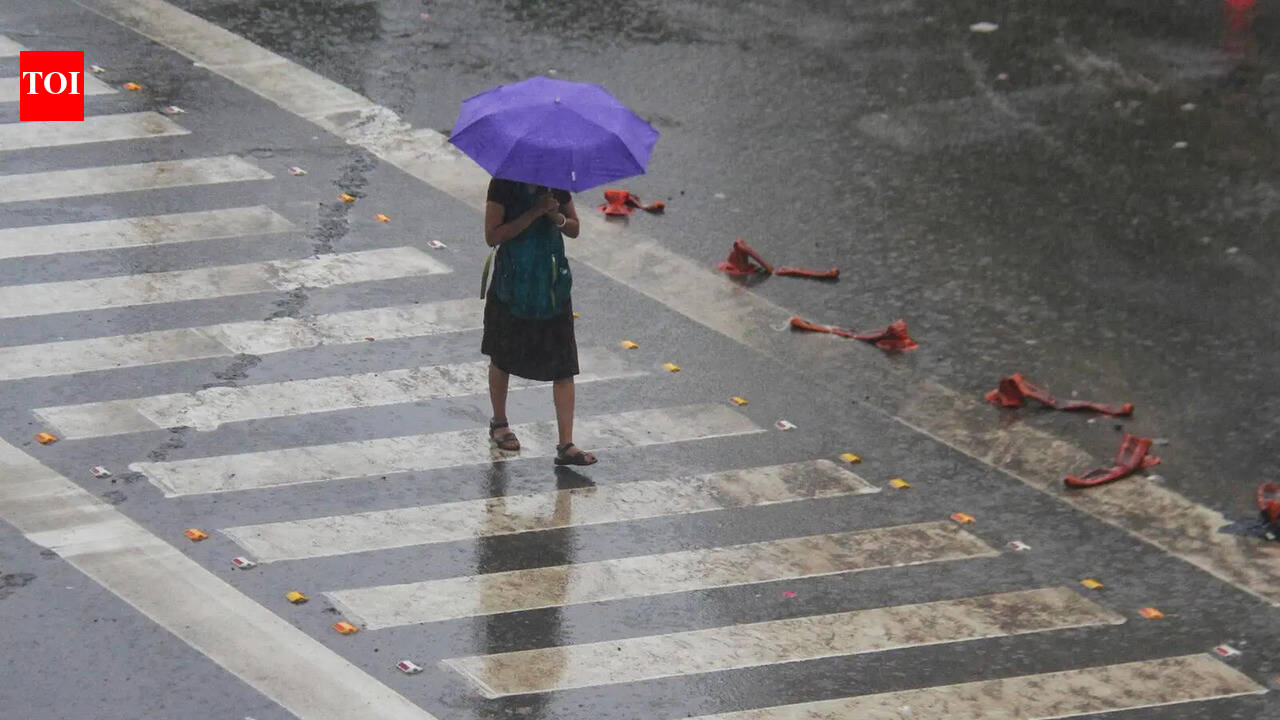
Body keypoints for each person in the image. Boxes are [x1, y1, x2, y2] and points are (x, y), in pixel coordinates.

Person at [481, 177, 597, 465]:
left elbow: (574, 228)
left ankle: (566, 444)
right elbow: (493, 235)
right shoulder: (503, 184)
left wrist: (555, 216)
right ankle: (500, 423)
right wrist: (533, 213)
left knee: (564, 365)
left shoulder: (555, 183)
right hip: (513, 287)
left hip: (551, 287)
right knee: (502, 356)